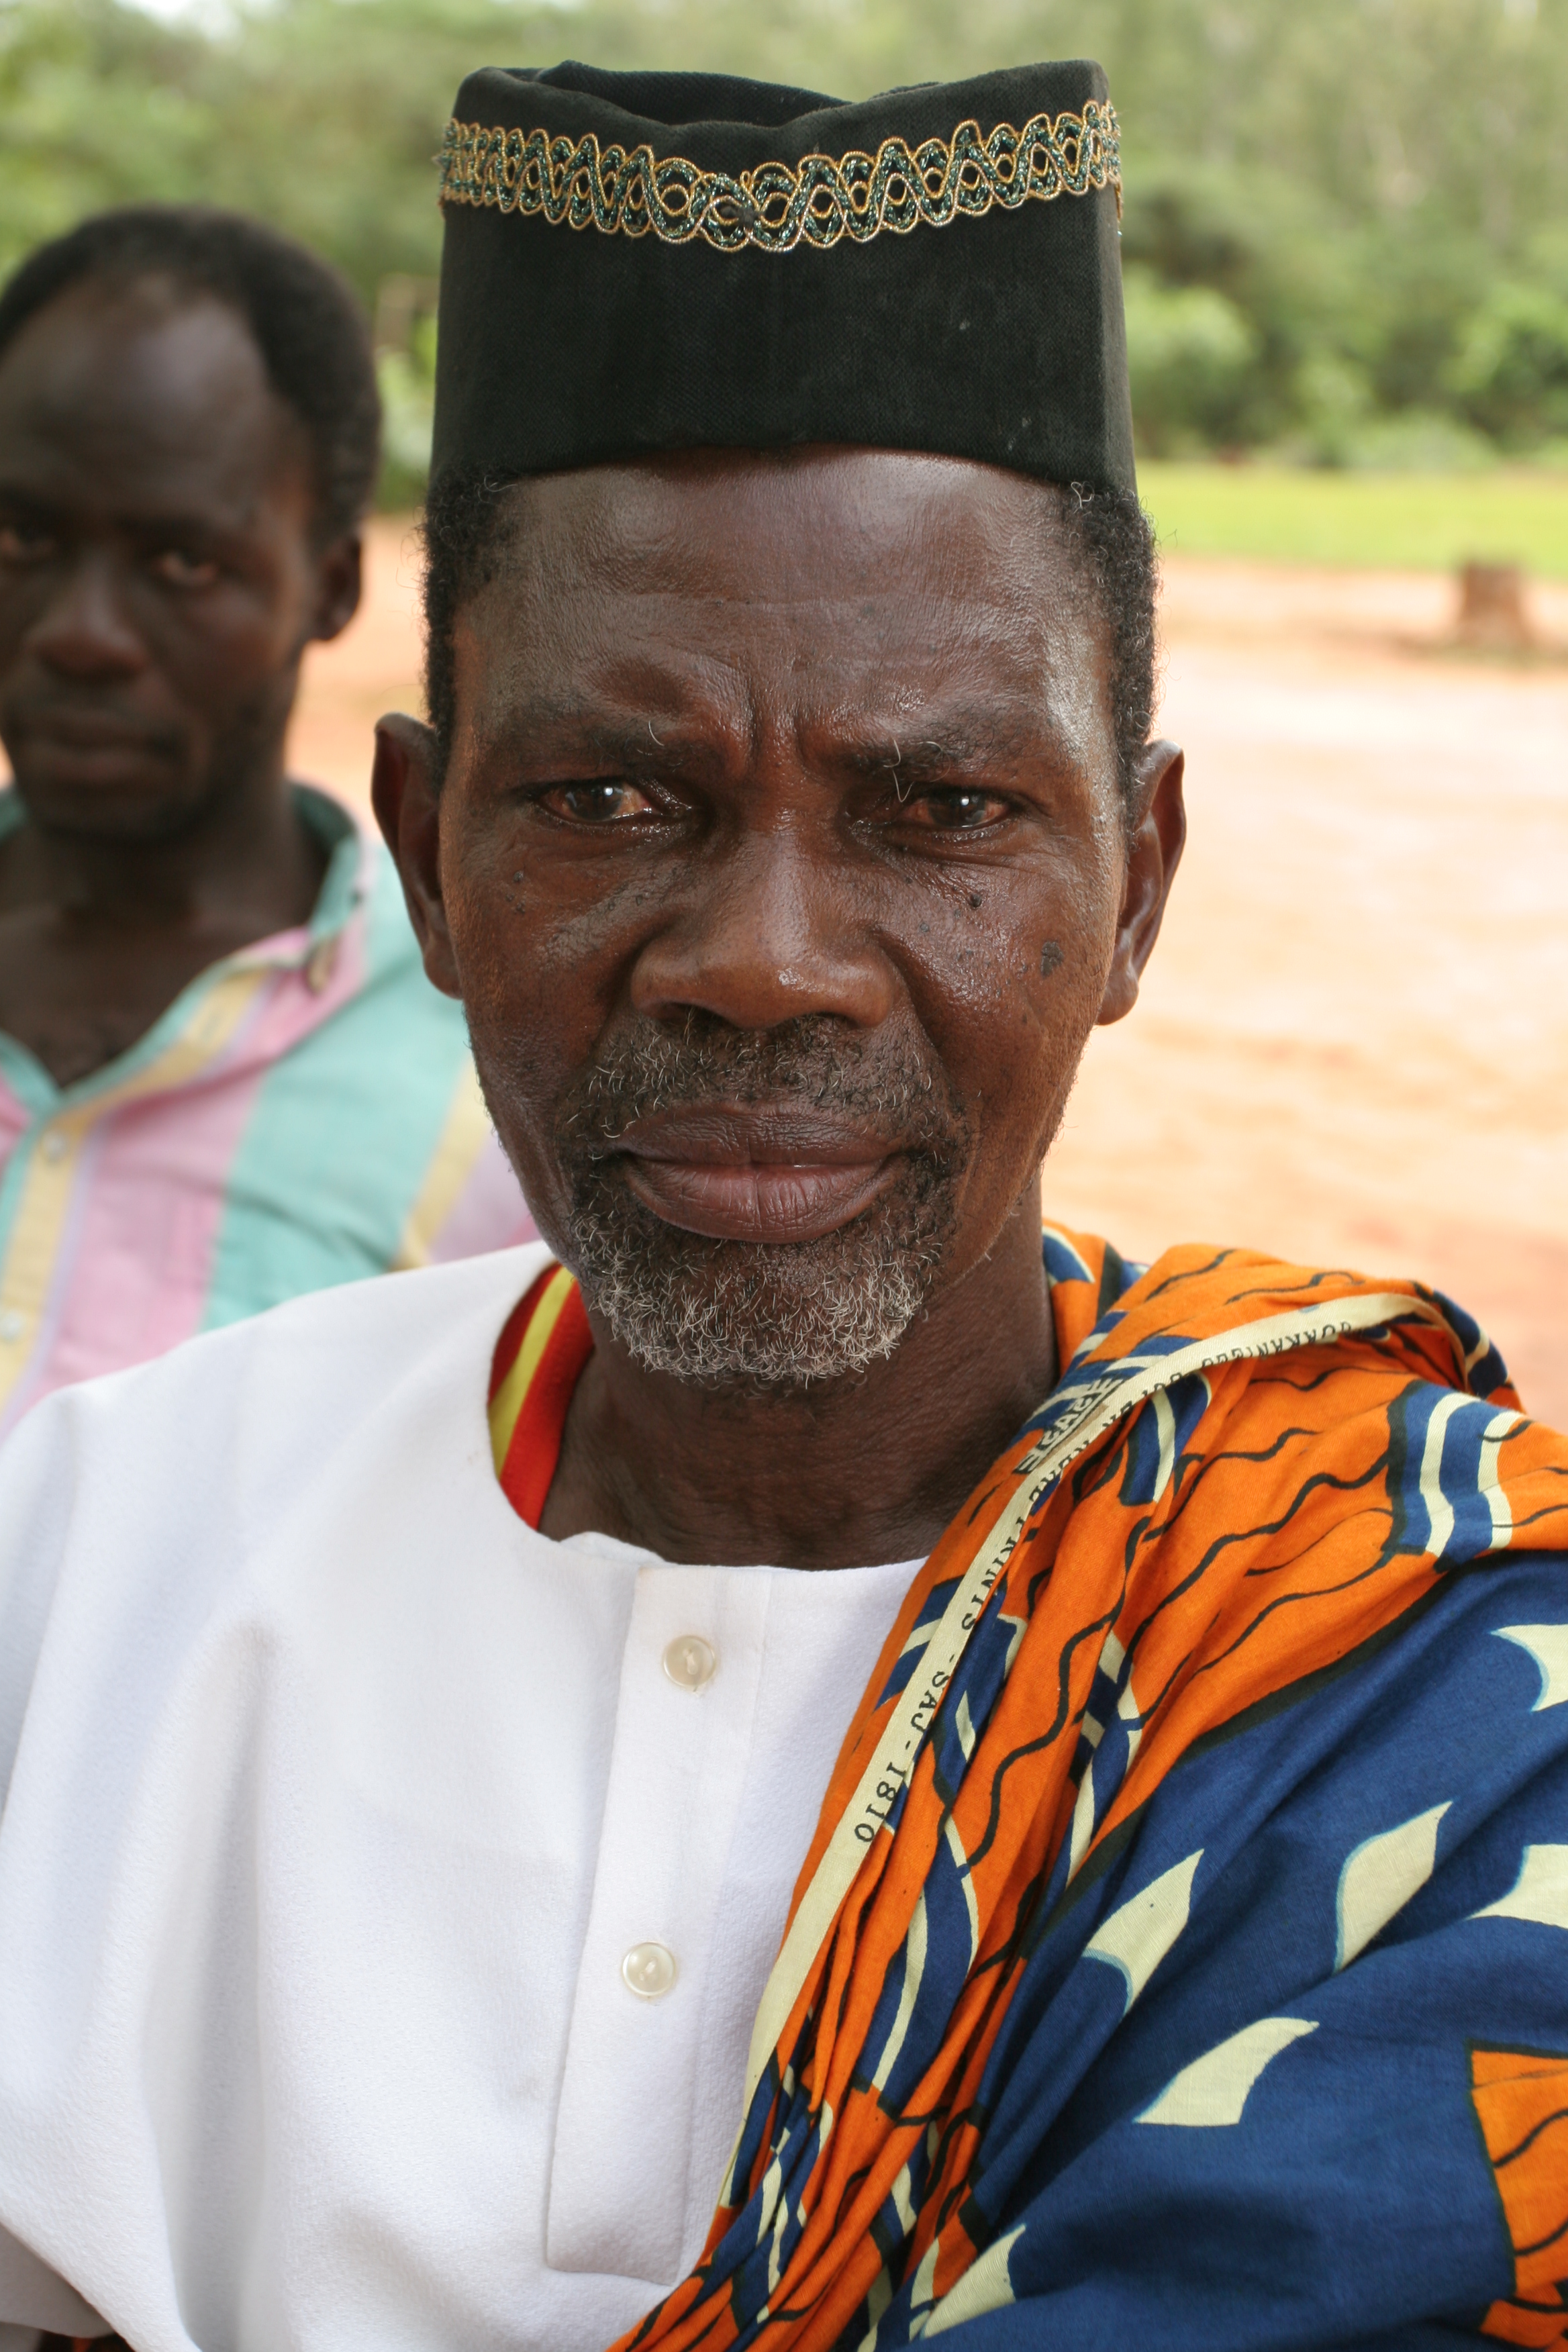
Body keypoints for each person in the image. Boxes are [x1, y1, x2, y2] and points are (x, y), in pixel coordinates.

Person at [1, 61, 1566, 2352]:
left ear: (1132, 886)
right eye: (613, 791)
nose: (762, 961)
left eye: (936, 803)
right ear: (431, 851)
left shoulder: (1411, 1679)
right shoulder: (91, 1554)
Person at [0, 207, 531, 1438]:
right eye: (23, 535)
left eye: (182, 562)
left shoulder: (496, 1084)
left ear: (332, 585)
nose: (81, 631)